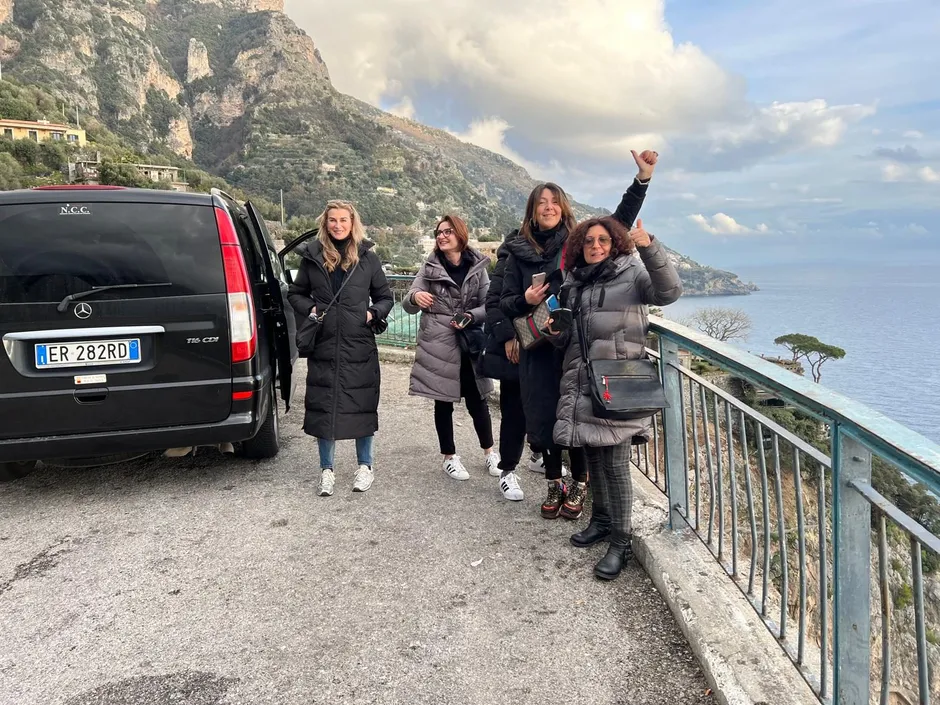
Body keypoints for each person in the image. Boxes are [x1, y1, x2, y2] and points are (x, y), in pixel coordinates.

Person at [498, 150, 658, 519]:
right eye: (541, 203)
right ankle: (555, 481)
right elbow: (501, 299)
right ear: (532, 211)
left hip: (573, 347)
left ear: (564, 207)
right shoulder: (516, 248)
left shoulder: (577, 243)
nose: (548, 207)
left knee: (576, 414)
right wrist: (522, 305)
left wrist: (642, 180)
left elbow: (617, 224)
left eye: (555, 201)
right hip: (538, 345)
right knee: (542, 415)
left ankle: (580, 482)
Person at [549, 216, 682, 580]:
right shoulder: (575, 281)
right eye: (589, 241)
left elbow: (669, 293)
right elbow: (571, 338)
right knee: (593, 453)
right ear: (580, 246)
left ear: (616, 244)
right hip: (584, 381)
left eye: (603, 240)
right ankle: (602, 521)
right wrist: (555, 330)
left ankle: (621, 543)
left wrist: (650, 245)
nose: (595, 246)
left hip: (619, 384)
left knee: (616, 465)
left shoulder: (633, 273)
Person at [287, 200, 393, 497]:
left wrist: (372, 314)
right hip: (324, 343)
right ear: (325, 223)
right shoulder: (312, 257)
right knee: (325, 407)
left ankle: (365, 467)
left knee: (361, 406)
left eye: (343, 220)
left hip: (359, 344)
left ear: (352, 222)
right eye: (332, 220)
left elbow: (385, 297)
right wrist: (310, 309)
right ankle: (326, 470)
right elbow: (295, 293)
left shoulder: (368, 258)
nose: (337, 225)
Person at [404, 215, 500, 482]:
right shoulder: (430, 267)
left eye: (447, 231)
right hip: (439, 342)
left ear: (460, 234)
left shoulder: (478, 266)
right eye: (438, 232)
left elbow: (489, 304)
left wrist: (470, 316)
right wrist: (415, 296)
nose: (442, 236)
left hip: (469, 342)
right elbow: (408, 300)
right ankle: (449, 457)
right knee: (443, 401)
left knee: (478, 400)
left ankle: (490, 452)